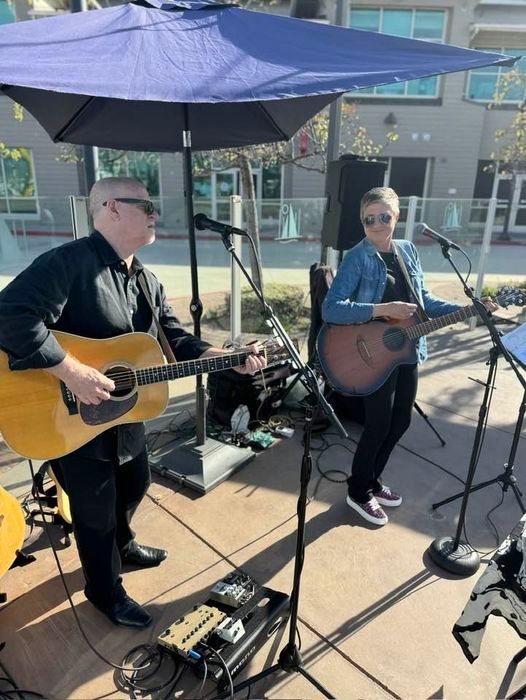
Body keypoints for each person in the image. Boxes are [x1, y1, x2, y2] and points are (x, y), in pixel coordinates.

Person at [0, 176, 266, 627]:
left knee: (137, 483)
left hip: (123, 415)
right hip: (65, 416)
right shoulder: (68, 264)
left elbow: (176, 340)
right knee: (94, 513)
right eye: (145, 205)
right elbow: (9, 316)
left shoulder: (145, 279)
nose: (154, 213)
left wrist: (228, 359)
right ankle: (105, 593)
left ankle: (123, 548)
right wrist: (73, 371)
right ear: (111, 208)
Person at [322, 186, 496, 527]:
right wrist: (382, 308)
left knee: (400, 421)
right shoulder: (357, 257)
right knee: (378, 425)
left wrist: (467, 310)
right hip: (372, 355)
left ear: (396, 217)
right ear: (362, 221)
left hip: (407, 350)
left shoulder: (407, 250)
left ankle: (372, 481)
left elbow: (424, 300)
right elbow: (331, 309)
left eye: (383, 216)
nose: (376, 223)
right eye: (369, 218)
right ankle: (358, 492)